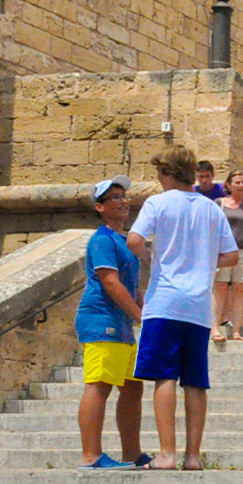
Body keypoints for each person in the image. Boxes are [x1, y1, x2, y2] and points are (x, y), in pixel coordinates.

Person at [126, 147, 239, 471]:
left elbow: (134, 240)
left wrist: (151, 257)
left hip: (165, 302)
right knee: (195, 381)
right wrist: (203, 263)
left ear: (169, 173)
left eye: (160, 173)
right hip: (199, 306)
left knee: (164, 378)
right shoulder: (211, 209)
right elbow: (230, 256)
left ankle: (167, 454)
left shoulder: (158, 203)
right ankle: (193, 456)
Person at [75, 176, 148, 469]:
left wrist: (146, 311)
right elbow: (110, 283)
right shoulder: (103, 240)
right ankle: (91, 455)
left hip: (121, 325)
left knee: (132, 387)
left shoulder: (123, 241)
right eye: (115, 197)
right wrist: (139, 315)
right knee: (100, 385)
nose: (123, 201)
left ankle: (132, 453)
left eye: (124, 196)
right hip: (101, 320)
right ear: (99, 207)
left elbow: (132, 286)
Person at [211, 171, 243, 342]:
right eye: (237, 182)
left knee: (240, 290)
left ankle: (236, 331)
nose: (240, 185)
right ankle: (215, 328)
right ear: (229, 185)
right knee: (220, 288)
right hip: (223, 251)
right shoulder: (219, 204)